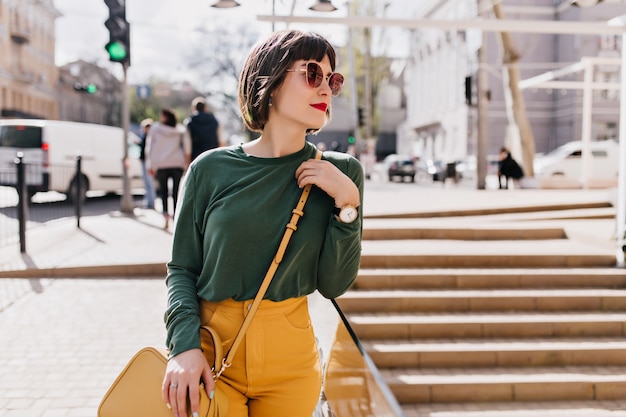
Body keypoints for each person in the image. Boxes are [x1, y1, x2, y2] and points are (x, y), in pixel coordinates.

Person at [162, 29, 364, 417]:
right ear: (269, 83)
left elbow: (335, 284)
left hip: (292, 362)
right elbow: (181, 268)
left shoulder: (342, 173)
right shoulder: (212, 169)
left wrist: (347, 205)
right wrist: (183, 347)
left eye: (332, 79)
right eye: (311, 73)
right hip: (211, 351)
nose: (325, 89)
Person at [145, 108, 189, 229]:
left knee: (164, 192)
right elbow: (186, 147)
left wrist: (150, 164)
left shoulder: (155, 129)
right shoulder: (179, 130)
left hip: (161, 164)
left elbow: (149, 148)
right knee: (176, 192)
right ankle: (176, 216)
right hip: (177, 163)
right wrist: (186, 163)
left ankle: (165, 215)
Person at [184, 96, 224, 162]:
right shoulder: (215, 121)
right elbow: (222, 141)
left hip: (196, 159)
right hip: (213, 156)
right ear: (205, 108)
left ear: (194, 108)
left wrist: (188, 161)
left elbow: (187, 144)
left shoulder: (189, 122)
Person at [139, 118, 156, 209]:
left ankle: (151, 202)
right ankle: (148, 202)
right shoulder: (145, 136)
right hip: (144, 161)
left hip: (148, 162)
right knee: (146, 183)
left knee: (150, 183)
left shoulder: (151, 137)